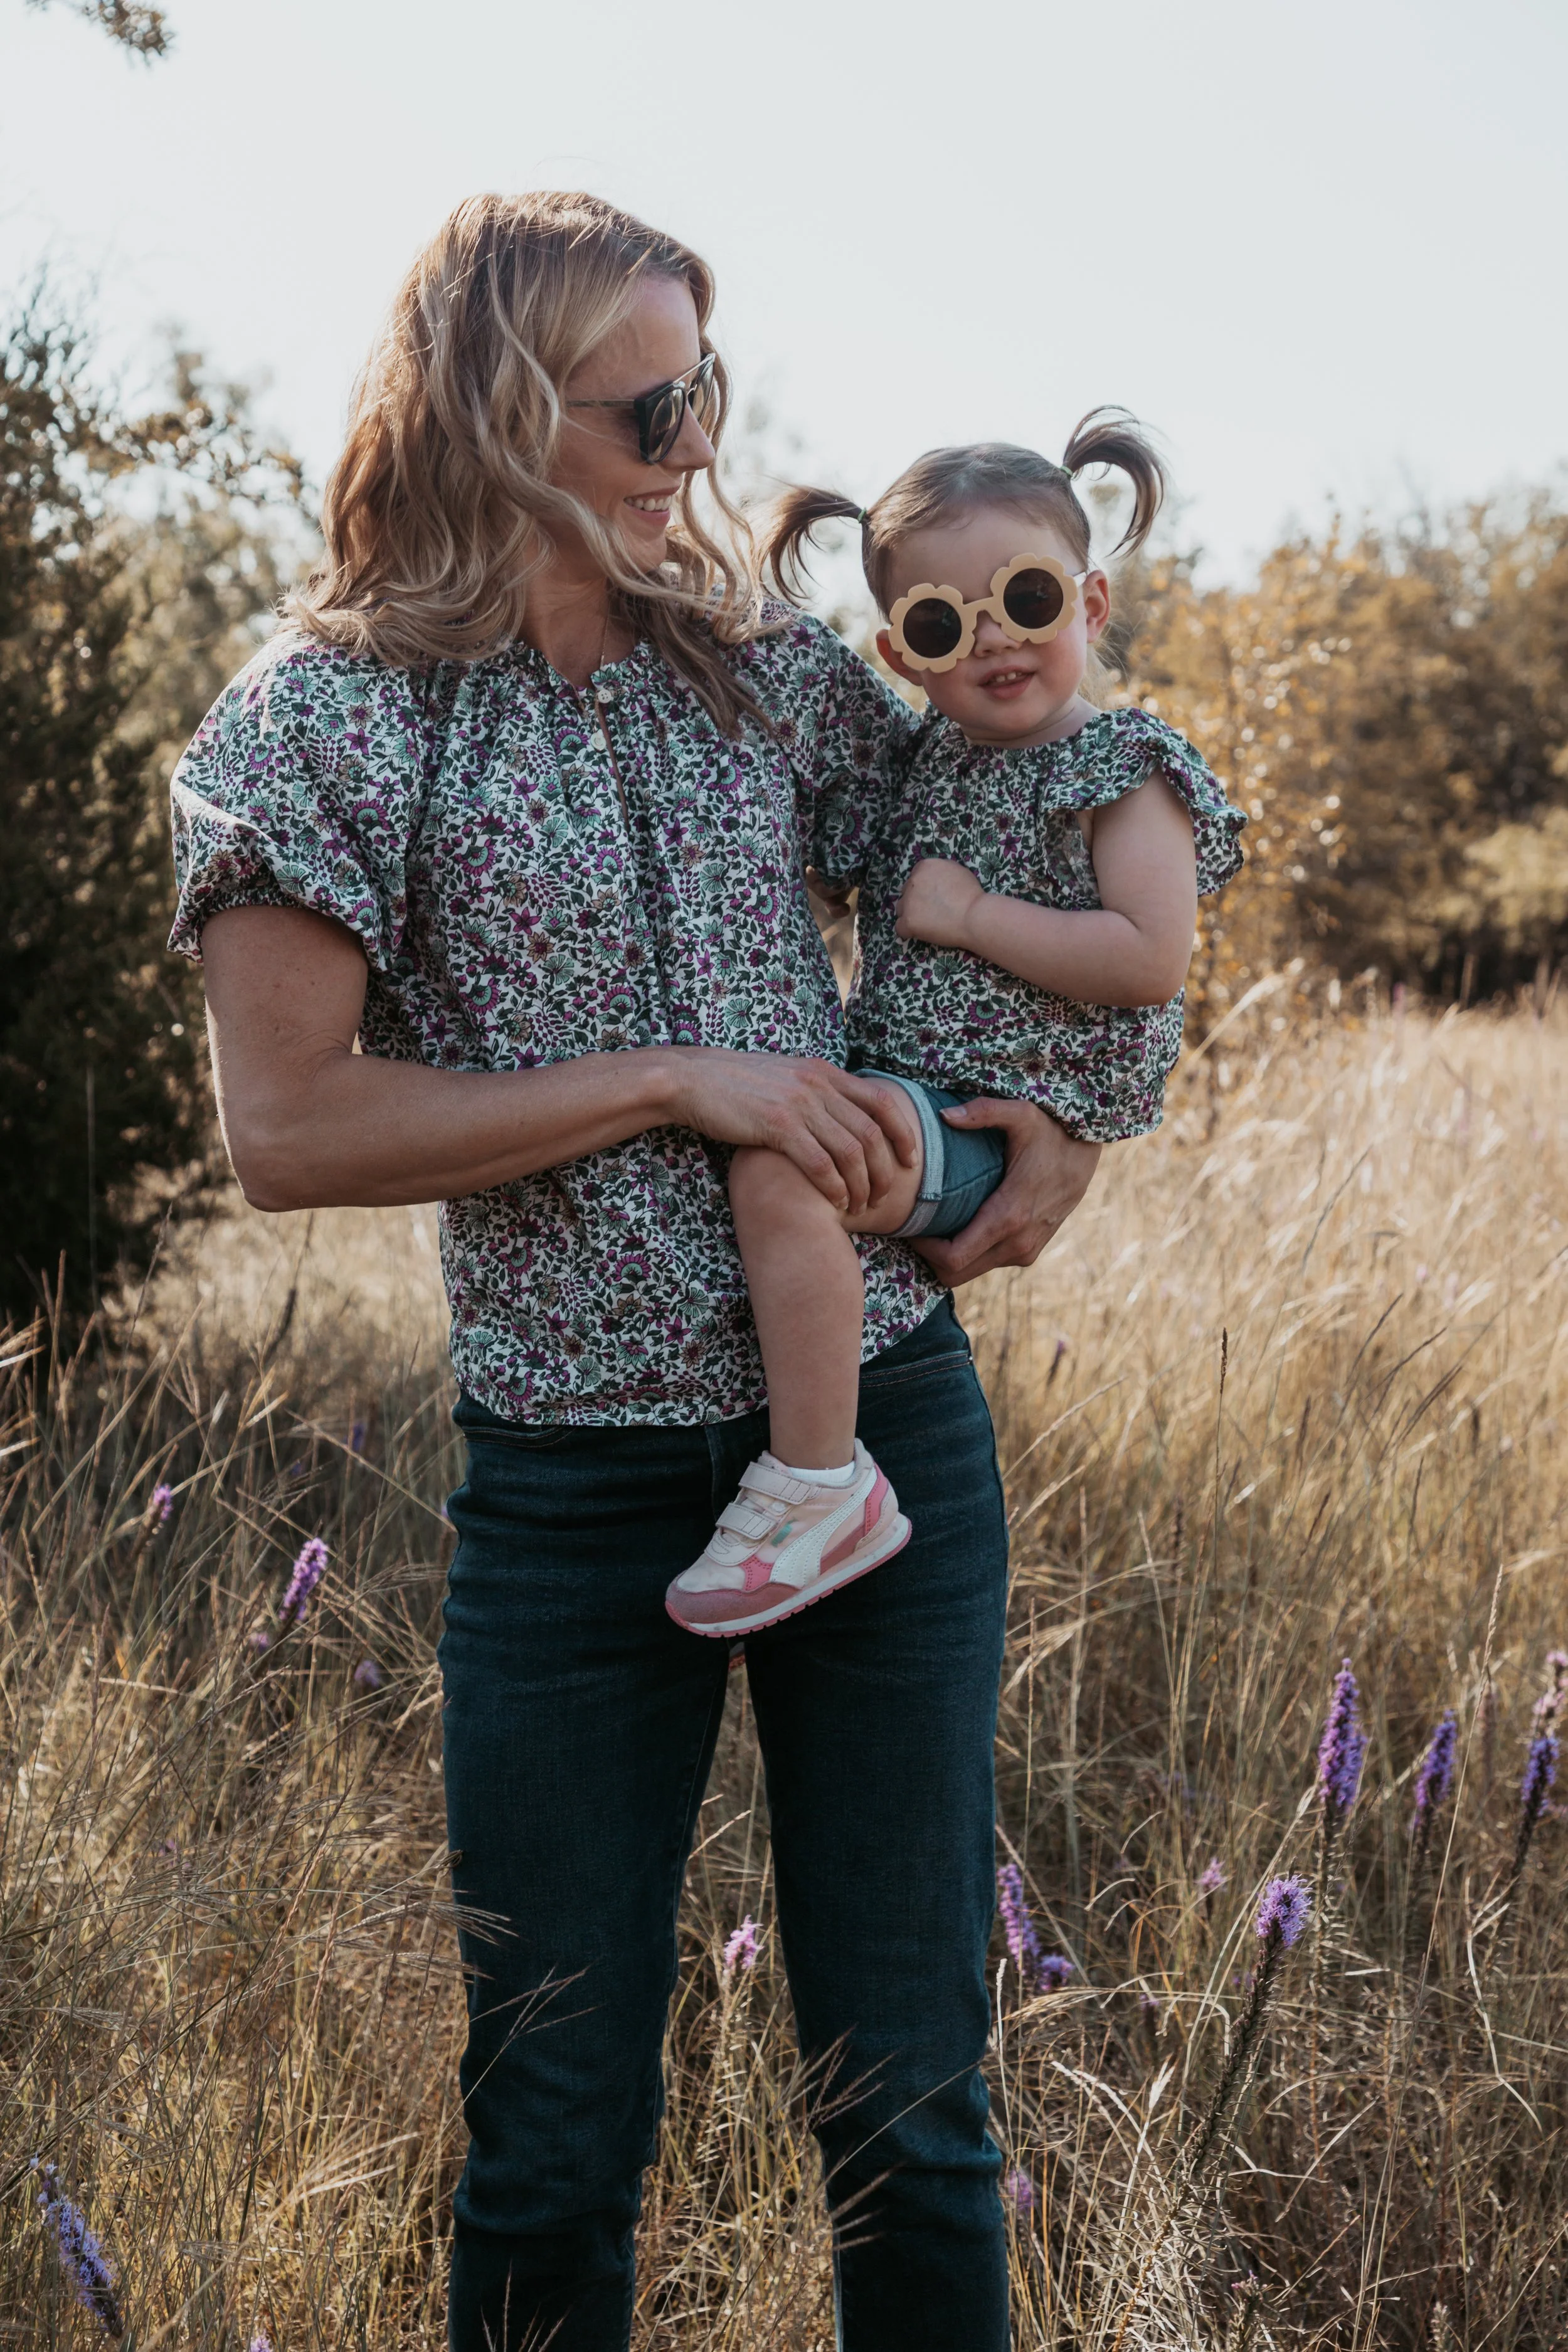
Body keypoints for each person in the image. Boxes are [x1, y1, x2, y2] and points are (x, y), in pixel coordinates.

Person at [166, 191, 1102, 2352]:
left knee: (917, 2107)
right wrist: (684, 1077)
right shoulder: (326, 727)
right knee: (560, 2121)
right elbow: (290, 1127)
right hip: (578, 1498)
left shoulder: (770, 665)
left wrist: (1060, 1124)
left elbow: (1032, 828)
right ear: (499, 411)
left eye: (711, 383)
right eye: (650, 399)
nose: (699, 435)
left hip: (885, 1434)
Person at [665, 423, 1246, 1638]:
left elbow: (1149, 957)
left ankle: (821, 1484)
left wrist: (969, 914)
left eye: (1023, 599)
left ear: (1087, 599)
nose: (990, 638)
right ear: (898, 655)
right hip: (926, 1097)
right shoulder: (927, 761)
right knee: (800, 1153)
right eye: (940, 622)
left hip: (995, 1115)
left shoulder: (1121, 767)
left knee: (785, 1168)